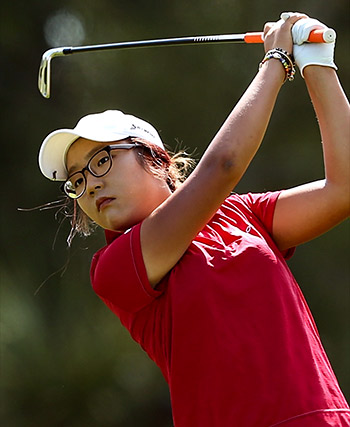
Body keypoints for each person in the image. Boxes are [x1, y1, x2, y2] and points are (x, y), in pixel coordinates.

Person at [38, 12, 350, 427]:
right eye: (76, 180)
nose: (90, 185)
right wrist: (276, 60)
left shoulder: (242, 214)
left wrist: (318, 63)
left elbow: (342, 190)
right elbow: (222, 166)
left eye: (102, 160)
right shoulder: (116, 268)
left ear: (155, 158)